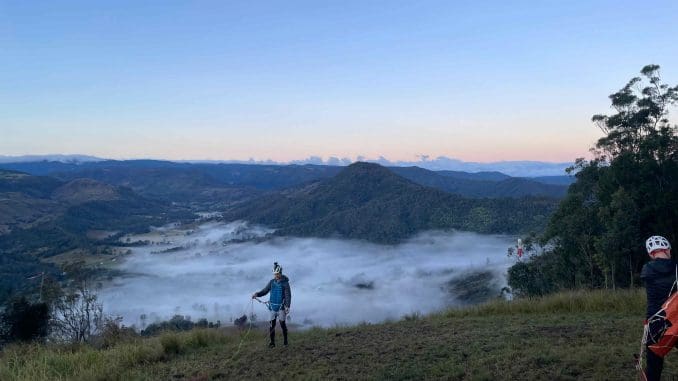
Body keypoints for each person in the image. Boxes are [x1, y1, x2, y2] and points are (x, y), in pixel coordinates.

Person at [641, 235, 674, 381]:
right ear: (668, 250)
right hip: (675, 321)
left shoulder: (647, 269)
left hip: (656, 321)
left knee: (654, 364)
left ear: (650, 254)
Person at [252, 262, 291, 347]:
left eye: (277, 274)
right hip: (272, 307)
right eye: (275, 274)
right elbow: (265, 291)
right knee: (272, 325)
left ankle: (285, 342)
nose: (276, 276)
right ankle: (272, 343)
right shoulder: (271, 282)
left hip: (281, 307)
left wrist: (287, 306)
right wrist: (257, 294)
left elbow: (288, 295)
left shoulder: (285, 283)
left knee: (282, 324)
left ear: (280, 273)